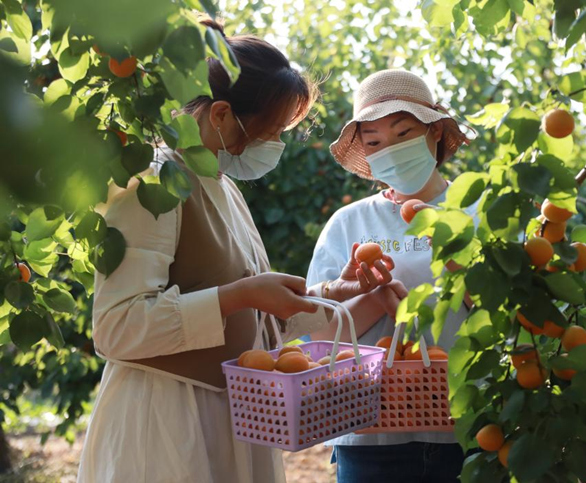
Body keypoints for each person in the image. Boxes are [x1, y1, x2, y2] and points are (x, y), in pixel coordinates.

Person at [77, 20, 393, 483]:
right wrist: (238, 296)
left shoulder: (222, 186)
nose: (273, 145)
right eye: (268, 131)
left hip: (234, 416)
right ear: (221, 114)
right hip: (168, 420)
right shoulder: (153, 183)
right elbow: (117, 326)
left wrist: (334, 291)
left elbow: (255, 314)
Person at [306, 69, 475, 483]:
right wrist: (373, 298)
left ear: (435, 132)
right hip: (369, 433)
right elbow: (320, 338)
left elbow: (513, 314)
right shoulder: (349, 223)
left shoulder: (476, 209)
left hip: (471, 427)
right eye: (376, 142)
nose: (392, 150)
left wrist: (457, 260)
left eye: (403, 134)